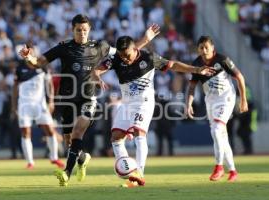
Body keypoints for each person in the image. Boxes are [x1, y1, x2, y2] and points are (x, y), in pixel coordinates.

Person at [19, 14, 160, 186]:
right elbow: (38, 62)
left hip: (88, 97)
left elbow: (127, 53)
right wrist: (28, 57)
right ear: (73, 30)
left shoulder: (99, 46)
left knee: (78, 132)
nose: (82, 33)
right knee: (69, 142)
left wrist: (145, 39)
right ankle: (83, 157)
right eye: (78, 30)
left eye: (85, 30)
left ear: (90, 30)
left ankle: (66, 173)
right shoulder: (64, 47)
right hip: (67, 99)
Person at [92, 36, 214, 187]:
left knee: (139, 133)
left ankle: (139, 173)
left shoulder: (149, 58)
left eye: (127, 55)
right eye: (122, 56)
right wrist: (97, 78)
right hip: (126, 103)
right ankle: (128, 170)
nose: (125, 59)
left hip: (144, 102)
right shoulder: (116, 58)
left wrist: (196, 69)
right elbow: (96, 70)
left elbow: (173, 65)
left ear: (135, 49)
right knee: (116, 137)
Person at [186, 35, 248, 182]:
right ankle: (232, 170)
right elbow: (192, 87)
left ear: (212, 47)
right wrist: (188, 103)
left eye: (207, 47)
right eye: (201, 47)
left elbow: (240, 77)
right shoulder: (197, 64)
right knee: (220, 135)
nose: (204, 50)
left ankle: (219, 167)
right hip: (211, 101)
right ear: (198, 49)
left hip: (226, 98)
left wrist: (243, 99)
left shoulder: (222, 60)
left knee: (216, 130)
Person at [12, 58, 64, 169]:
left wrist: (50, 101)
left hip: (40, 105)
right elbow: (15, 88)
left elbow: (49, 84)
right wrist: (14, 105)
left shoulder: (43, 67)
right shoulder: (19, 68)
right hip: (24, 104)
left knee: (50, 130)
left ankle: (54, 158)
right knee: (26, 132)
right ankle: (30, 162)